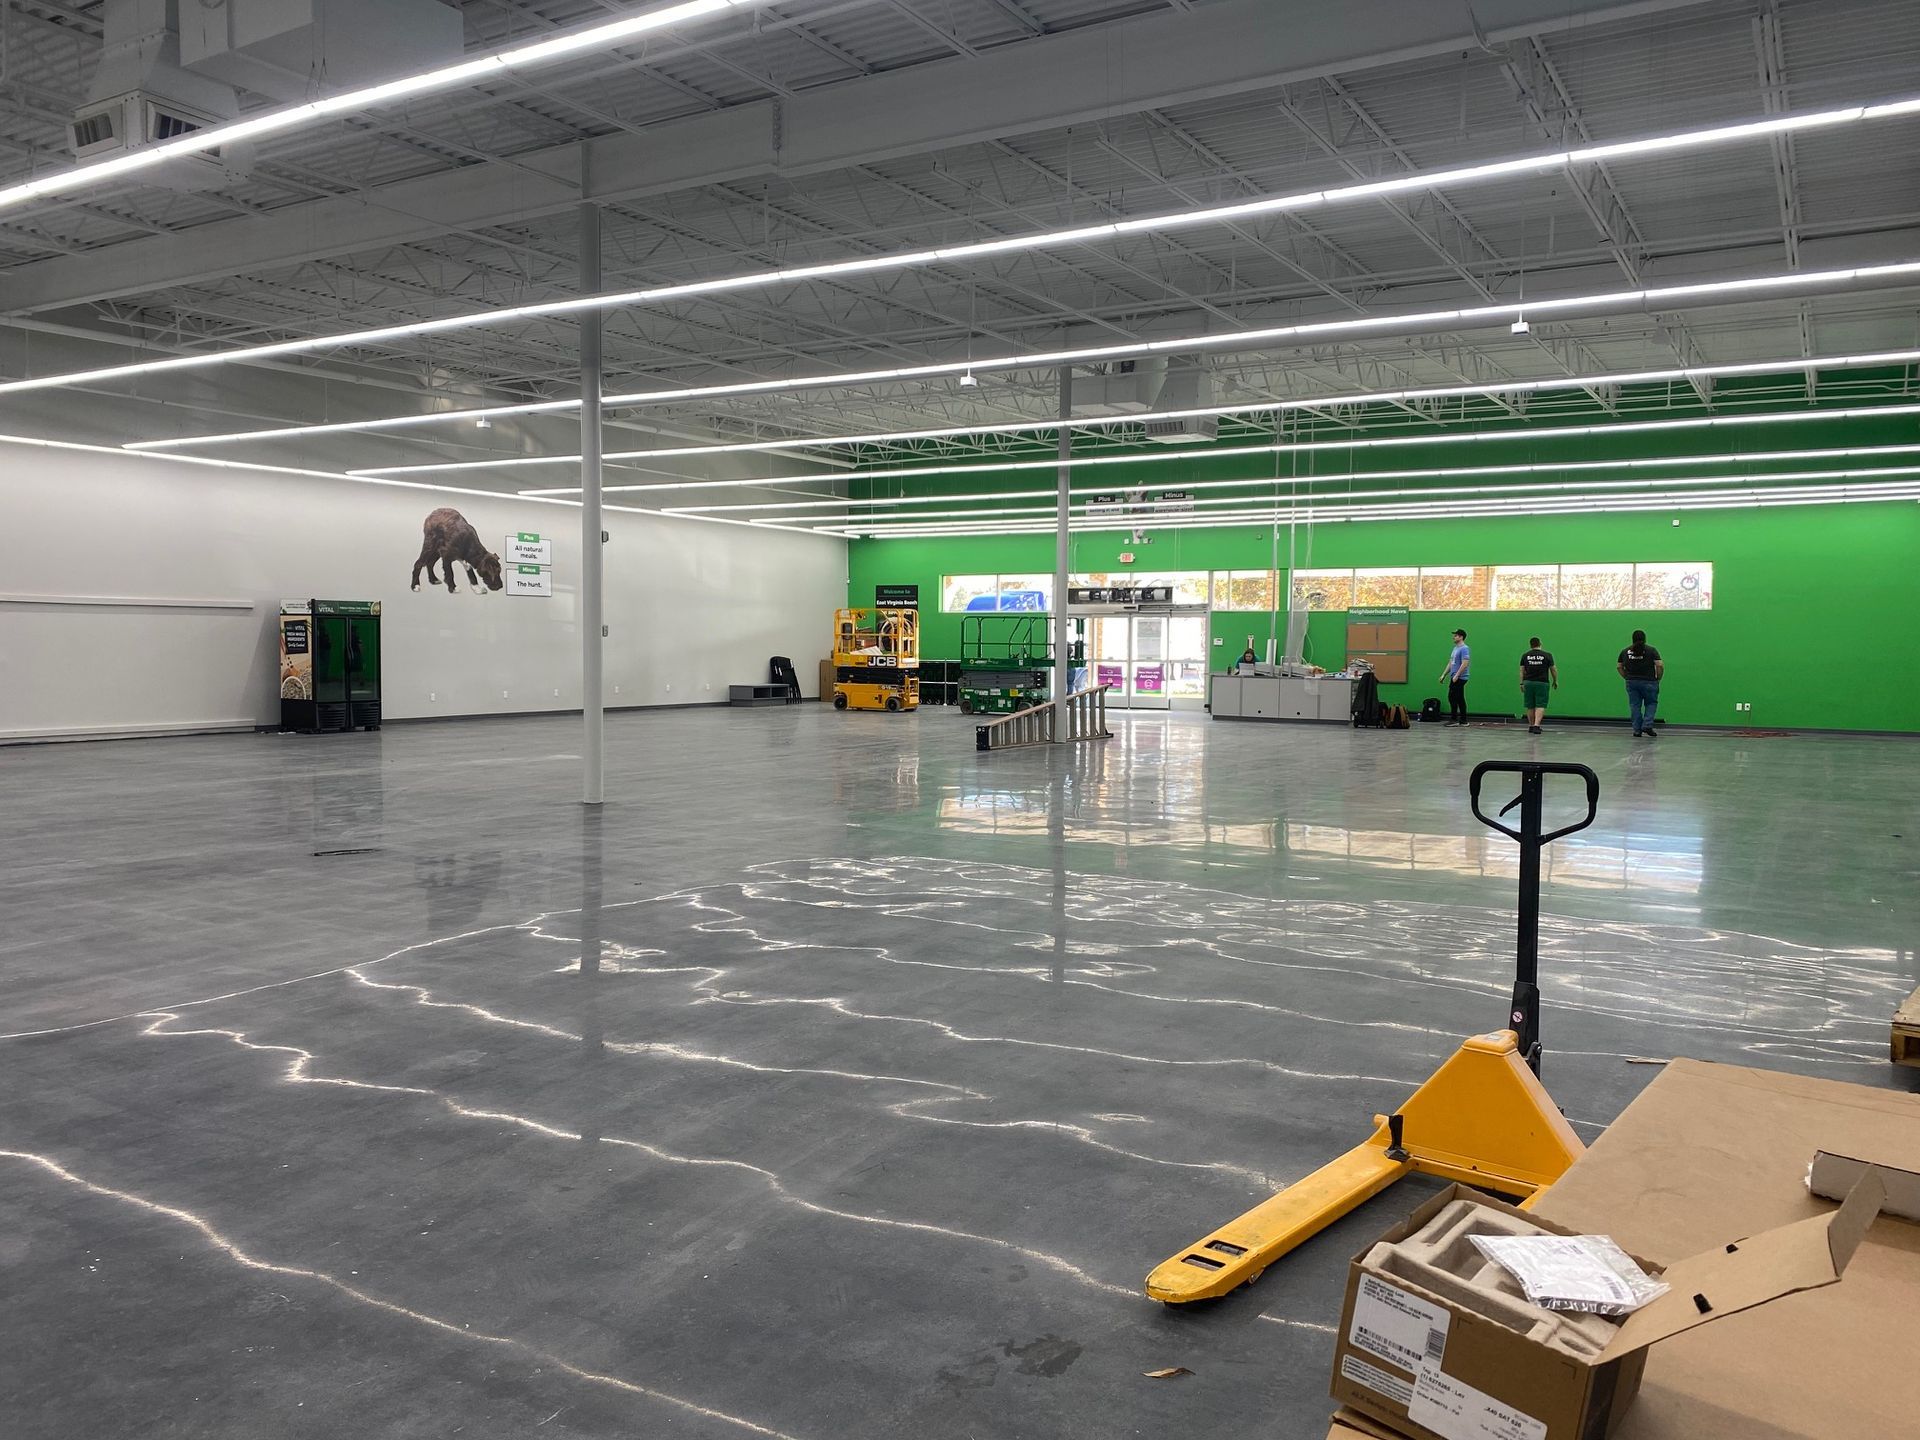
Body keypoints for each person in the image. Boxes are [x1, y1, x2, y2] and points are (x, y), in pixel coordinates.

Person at [1617, 629, 1664, 738]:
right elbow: (1659, 665)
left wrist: (1626, 677)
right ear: (1644, 639)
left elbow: (1619, 667)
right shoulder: (1651, 650)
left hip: (1632, 682)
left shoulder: (1625, 651)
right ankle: (1647, 725)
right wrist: (1658, 677)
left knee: (1635, 705)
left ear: (1632, 639)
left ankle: (1637, 730)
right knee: (1651, 703)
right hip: (1649, 682)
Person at [1519, 637, 1558, 735]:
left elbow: (1521, 671)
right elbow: (1553, 669)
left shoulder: (1525, 655)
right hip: (1542, 683)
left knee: (1530, 705)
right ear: (1540, 643)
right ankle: (1536, 726)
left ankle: (1531, 726)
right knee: (1540, 705)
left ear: (1530, 645)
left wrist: (1521, 683)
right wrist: (1555, 680)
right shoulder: (1547, 655)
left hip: (1528, 683)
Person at [1439, 628, 1471, 726]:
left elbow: (1465, 663)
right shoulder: (1455, 648)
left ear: (1461, 637)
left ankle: (1454, 720)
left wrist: (1457, 675)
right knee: (1460, 698)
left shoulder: (1464, 648)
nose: (1454, 637)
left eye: (1456, 635)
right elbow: (1451, 663)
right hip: (1454, 676)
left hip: (1460, 678)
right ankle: (1463, 721)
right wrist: (1444, 674)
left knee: (1452, 697)